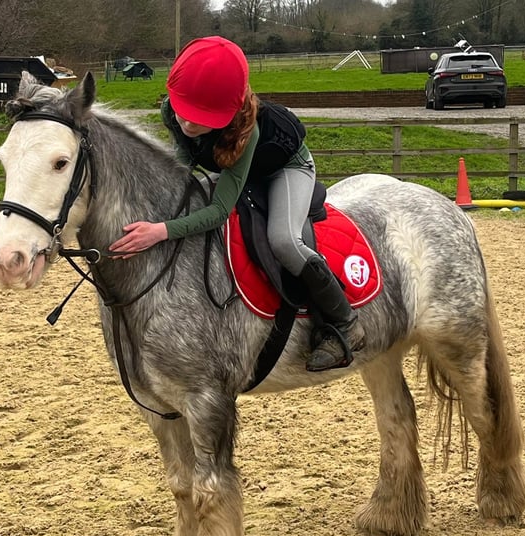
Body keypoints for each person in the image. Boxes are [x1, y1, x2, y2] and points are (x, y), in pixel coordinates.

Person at [109, 36, 365, 371]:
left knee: (284, 241)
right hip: (233, 168)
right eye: (184, 112)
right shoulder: (173, 110)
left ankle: (345, 321)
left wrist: (160, 231)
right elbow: (183, 164)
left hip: (285, 169)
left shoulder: (246, 129)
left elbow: (218, 212)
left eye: (199, 117)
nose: (188, 124)